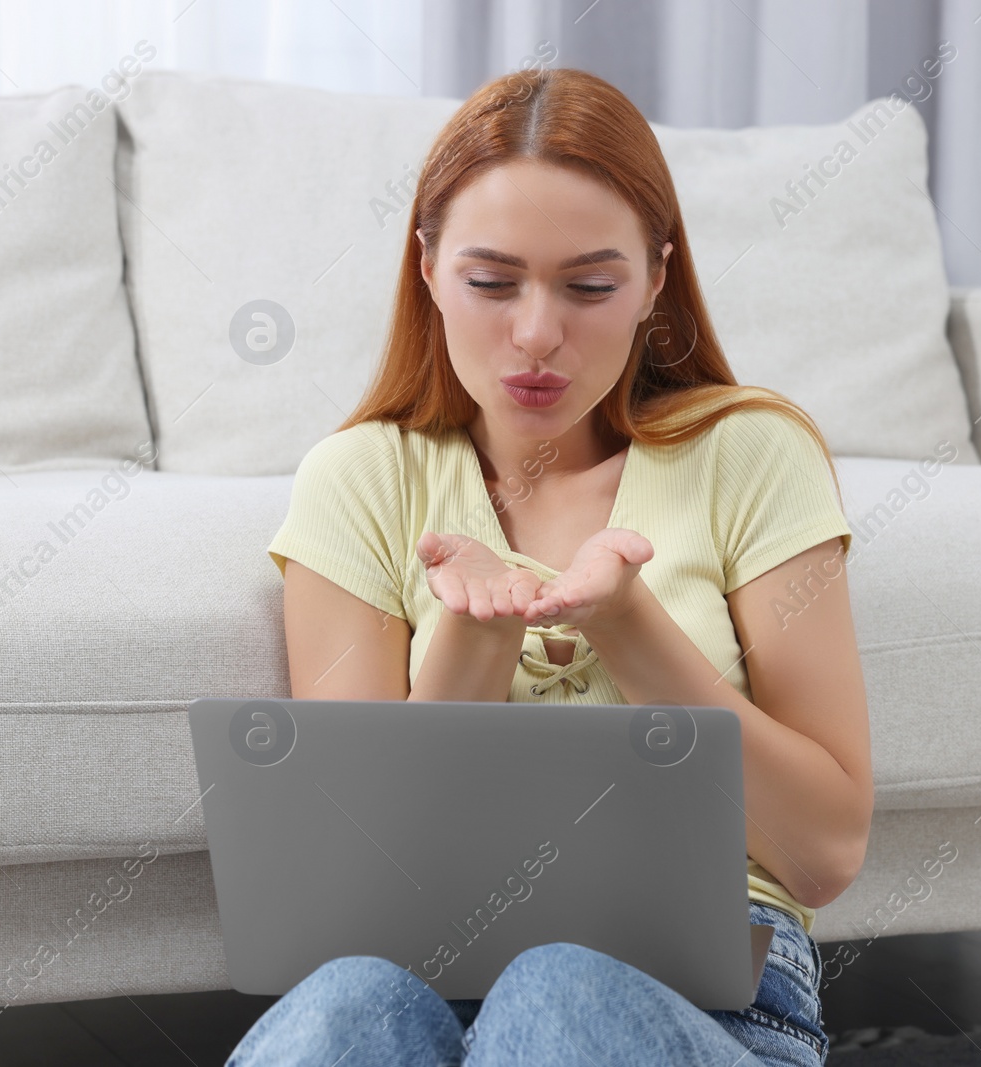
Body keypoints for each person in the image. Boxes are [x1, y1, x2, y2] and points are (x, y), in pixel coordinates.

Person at [247, 64, 871, 1067]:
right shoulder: (358, 476)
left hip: (715, 993)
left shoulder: (749, 453)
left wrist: (630, 627)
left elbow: (825, 850)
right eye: (490, 282)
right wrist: (473, 640)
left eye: (589, 286)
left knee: (558, 984)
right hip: (426, 966)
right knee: (345, 1004)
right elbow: (352, 890)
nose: (536, 333)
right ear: (426, 269)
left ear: (655, 280)